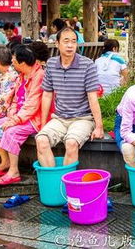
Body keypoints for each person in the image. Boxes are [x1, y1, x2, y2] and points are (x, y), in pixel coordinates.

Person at [35, 27, 104, 167]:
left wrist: (99, 126)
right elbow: (47, 95)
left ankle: (66, 185)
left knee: (71, 143)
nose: (70, 45)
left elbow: (93, 97)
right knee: (41, 140)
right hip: (59, 118)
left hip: (83, 118)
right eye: (66, 41)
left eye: (73, 41)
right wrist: (43, 124)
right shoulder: (51, 64)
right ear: (57, 44)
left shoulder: (87, 64)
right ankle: (53, 182)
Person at [0, 43, 49, 185]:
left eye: (14, 61)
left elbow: (32, 106)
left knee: (10, 132)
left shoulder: (39, 76)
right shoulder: (21, 76)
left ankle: (14, 171)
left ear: (23, 62)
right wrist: (11, 116)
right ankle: (5, 162)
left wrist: (13, 121)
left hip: (34, 119)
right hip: (21, 116)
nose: (12, 63)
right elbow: (15, 101)